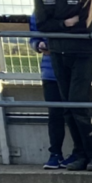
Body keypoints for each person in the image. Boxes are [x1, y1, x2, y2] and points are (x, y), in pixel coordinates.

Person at [31, 0, 92, 171]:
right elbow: (42, 24)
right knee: (67, 106)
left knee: (78, 104)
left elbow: (85, 24)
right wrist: (64, 23)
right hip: (57, 52)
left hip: (81, 53)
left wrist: (61, 24)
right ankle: (80, 154)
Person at [29, 11, 76, 171]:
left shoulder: (76, 5)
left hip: (72, 70)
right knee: (55, 114)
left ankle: (79, 151)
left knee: (75, 112)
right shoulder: (40, 11)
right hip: (50, 72)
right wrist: (39, 45)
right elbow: (34, 37)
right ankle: (55, 153)